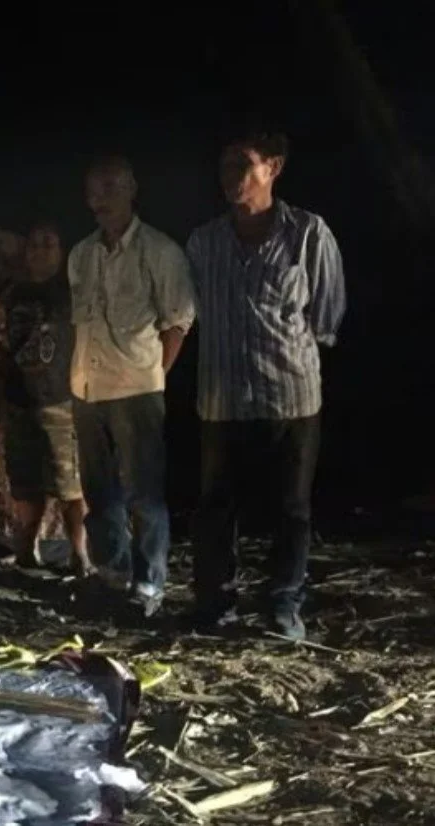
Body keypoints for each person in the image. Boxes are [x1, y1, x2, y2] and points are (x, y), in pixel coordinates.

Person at [185, 130, 346, 641]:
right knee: (215, 505)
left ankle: (283, 603)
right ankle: (215, 604)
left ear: (273, 166)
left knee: (290, 508)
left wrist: (292, 360)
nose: (231, 175)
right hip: (223, 396)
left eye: (243, 163)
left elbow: (326, 315)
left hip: (290, 397)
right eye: (225, 164)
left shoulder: (307, 234)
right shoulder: (203, 242)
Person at [67, 155, 196, 618]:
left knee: (144, 494)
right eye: (94, 189)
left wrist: (152, 376)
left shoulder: (160, 251)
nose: (100, 198)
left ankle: (149, 583)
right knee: (100, 493)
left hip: (137, 389)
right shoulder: (80, 254)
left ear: (131, 190)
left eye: (110, 187)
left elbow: (177, 322)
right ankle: (111, 574)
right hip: (87, 388)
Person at [2, 221, 90, 575]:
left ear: (61, 251)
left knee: (69, 484)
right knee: (25, 481)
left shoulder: (71, 293)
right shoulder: (15, 293)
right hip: (19, 399)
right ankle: (27, 549)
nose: (39, 250)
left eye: (48, 244)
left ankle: (80, 555)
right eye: (34, 244)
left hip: (59, 400)